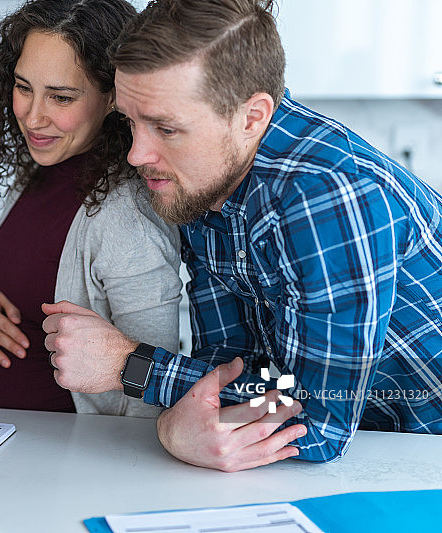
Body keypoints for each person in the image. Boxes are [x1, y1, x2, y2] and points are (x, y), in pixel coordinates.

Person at [43, 0, 442, 471]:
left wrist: (132, 365)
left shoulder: (326, 196)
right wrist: (191, 413)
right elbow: (241, 370)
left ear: (252, 117)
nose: (136, 154)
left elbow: (314, 421)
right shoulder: (203, 176)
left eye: (166, 128)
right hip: (377, 456)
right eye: (131, 122)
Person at [0, 0, 181, 416]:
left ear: (115, 95)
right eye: (23, 87)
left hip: (70, 462)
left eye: (61, 97)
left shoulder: (124, 214)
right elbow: (16, 279)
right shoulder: (44, 165)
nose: (33, 116)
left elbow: (151, 387)